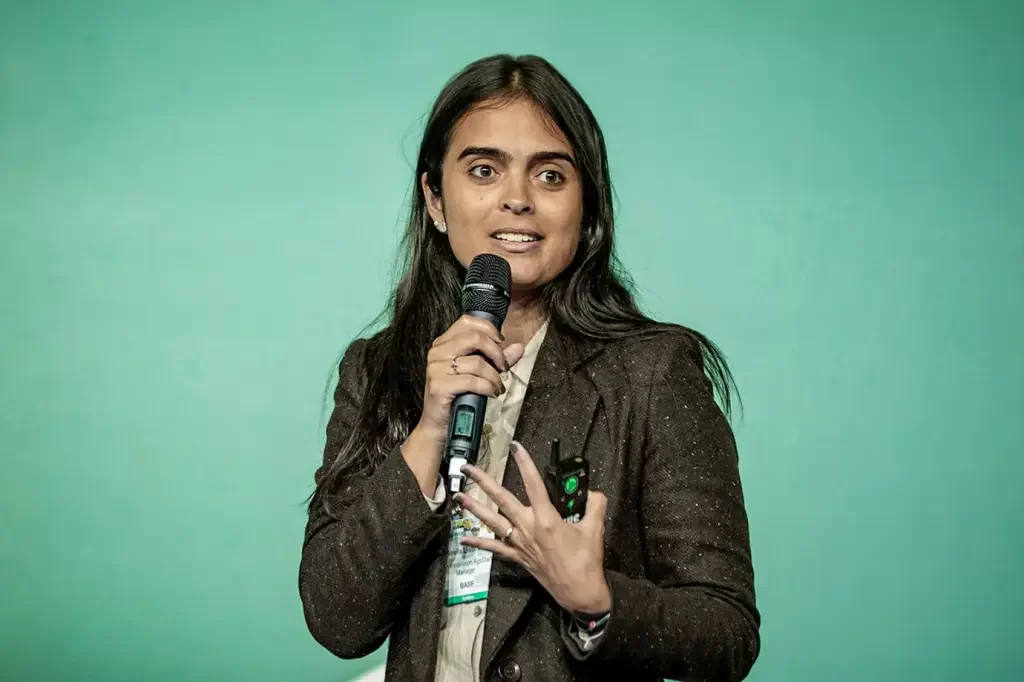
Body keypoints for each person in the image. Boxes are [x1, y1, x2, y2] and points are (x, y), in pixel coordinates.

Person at [299, 54, 760, 682]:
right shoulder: (377, 370)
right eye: (484, 171)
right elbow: (338, 619)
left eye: (549, 175)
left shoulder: (652, 372)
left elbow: (727, 631)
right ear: (435, 199)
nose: (517, 200)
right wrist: (429, 432)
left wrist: (596, 601)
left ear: (586, 207)